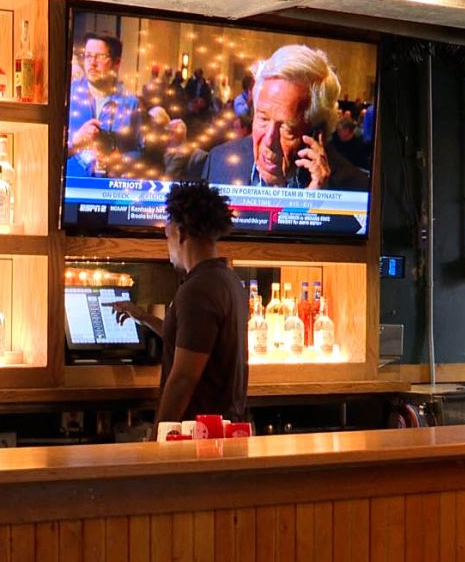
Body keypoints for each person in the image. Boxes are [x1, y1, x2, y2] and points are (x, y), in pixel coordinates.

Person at [113, 182, 248, 424]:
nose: (168, 248)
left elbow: (184, 378)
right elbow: (193, 341)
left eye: (167, 236)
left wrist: (160, 437)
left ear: (181, 232)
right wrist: (143, 317)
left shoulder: (197, 289)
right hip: (225, 428)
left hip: (197, 435)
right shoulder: (228, 280)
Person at [190, 44, 369, 191]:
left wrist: (316, 206)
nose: (268, 141)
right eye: (263, 119)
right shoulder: (219, 161)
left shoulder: (353, 188)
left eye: (287, 128)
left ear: (317, 133)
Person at [66, 33, 144, 178]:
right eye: (88, 55)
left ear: (117, 63)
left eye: (100, 57)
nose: (92, 63)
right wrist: (75, 141)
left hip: (112, 192)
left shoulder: (131, 103)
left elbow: (140, 152)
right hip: (71, 189)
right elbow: (47, 150)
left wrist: (120, 160)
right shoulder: (68, 97)